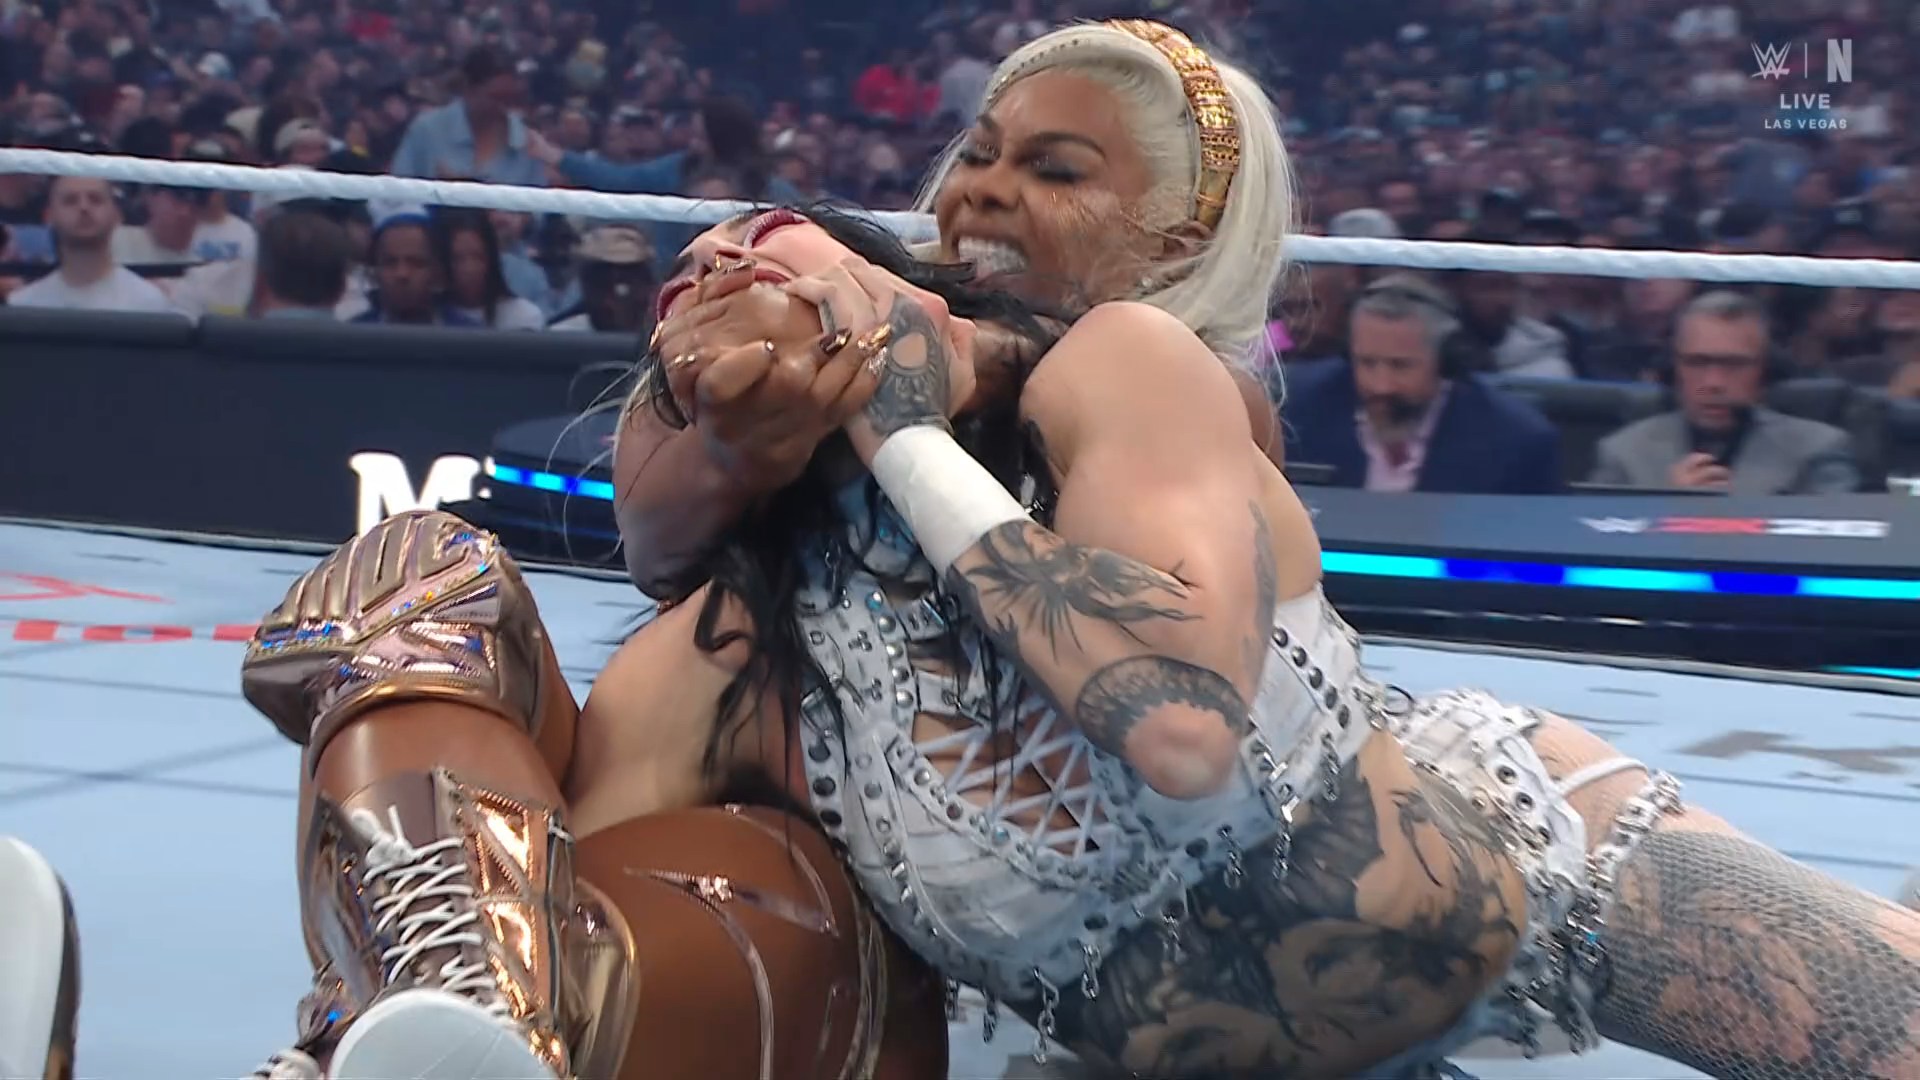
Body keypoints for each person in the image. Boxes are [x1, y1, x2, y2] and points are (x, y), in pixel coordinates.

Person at [241, 22, 1920, 1080]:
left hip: (1519, 880)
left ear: (1166, 239)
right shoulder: (738, 658)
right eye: (974, 153)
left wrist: (904, 418)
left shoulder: (1140, 376)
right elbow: (615, 919)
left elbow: (1179, 722)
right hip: (1154, 1051)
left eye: (1054, 169)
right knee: (411, 593)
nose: (980, 193)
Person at [1282, 274, 1563, 493]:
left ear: (1446, 361)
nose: (1381, 385)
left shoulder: (1517, 442)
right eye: (1367, 363)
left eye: (1400, 366)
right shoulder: (1293, 407)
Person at [1590, 290, 1862, 493]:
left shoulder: (1818, 449)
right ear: (1673, 369)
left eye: (1734, 364)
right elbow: (1596, 543)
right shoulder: (1624, 452)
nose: (1714, 382)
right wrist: (1668, 509)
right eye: (1697, 362)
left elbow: (1839, 542)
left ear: (1766, 371)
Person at [7, 176, 175, 314]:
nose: (84, 207)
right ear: (49, 216)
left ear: (116, 215)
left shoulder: (149, 303)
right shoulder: (23, 305)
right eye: (70, 200)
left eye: (95, 199)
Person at [348, 211, 479, 327]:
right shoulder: (353, 336)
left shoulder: (470, 336)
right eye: (390, 263)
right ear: (375, 271)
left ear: (438, 272)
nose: (402, 274)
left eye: (416, 263)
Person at [434, 209, 546, 330]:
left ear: (492, 260)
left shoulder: (523, 317)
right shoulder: (431, 316)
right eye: (458, 259)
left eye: (478, 257)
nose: (469, 269)